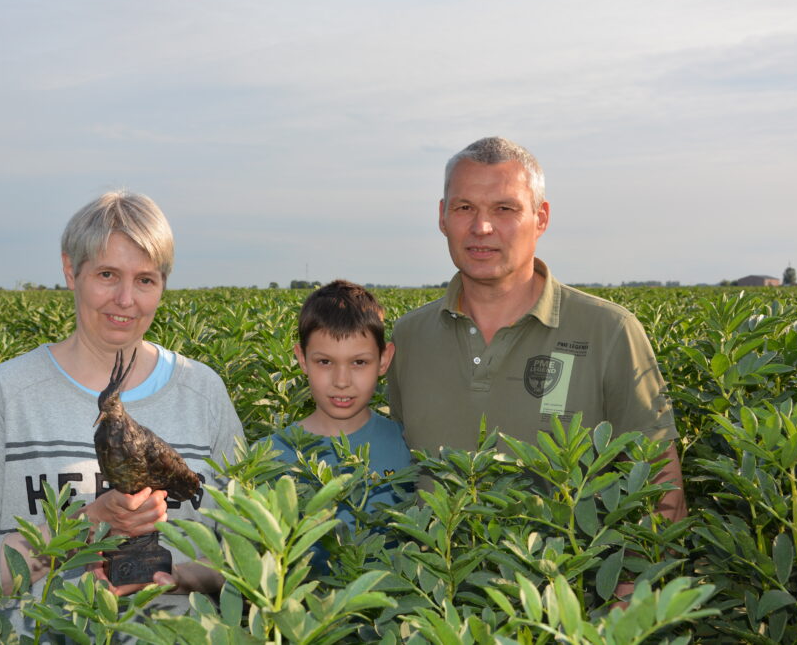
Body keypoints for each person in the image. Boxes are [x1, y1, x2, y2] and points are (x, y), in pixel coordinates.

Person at [0, 191, 244, 629]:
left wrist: (170, 575)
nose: (125, 299)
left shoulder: (204, 391)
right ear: (69, 271)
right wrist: (83, 527)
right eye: (107, 274)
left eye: (145, 280)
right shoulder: (6, 394)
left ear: (163, 285)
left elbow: (248, 561)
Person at [386, 137, 686, 524]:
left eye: (504, 208)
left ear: (540, 217)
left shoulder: (610, 331)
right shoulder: (409, 337)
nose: (482, 227)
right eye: (464, 208)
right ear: (442, 216)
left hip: (572, 585)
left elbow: (663, 490)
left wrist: (629, 584)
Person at [267, 280, 412, 567]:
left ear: (384, 360)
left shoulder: (409, 444)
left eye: (359, 362)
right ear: (302, 359)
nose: (342, 381)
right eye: (325, 362)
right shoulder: (269, 456)